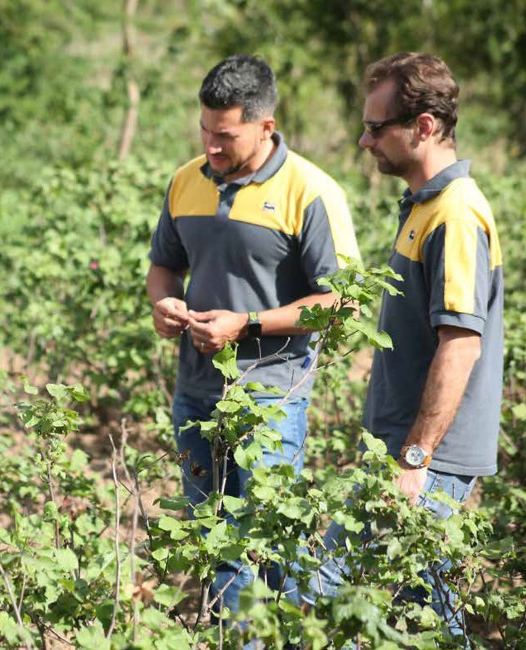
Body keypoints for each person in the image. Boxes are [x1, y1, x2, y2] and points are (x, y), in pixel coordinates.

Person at [146, 54, 360, 622]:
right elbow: (163, 266)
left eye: (226, 136)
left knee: (263, 541)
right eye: (205, 132)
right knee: (209, 534)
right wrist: (162, 303)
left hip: (270, 395)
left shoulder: (310, 191)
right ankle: (230, 631)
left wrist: (245, 325)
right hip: (194, 391)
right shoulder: (185, 181)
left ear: (267, 126)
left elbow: (342, 300)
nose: (212, 147)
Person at [306, 53, 504, 641]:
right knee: (418, 607)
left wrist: (414, 461)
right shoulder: (425, 205)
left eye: (375, 127)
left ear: (422, 127)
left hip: (426, 462)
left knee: (333, 589)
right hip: (407, 453)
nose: (364, 141)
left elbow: (461, 345)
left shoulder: (457, 214)